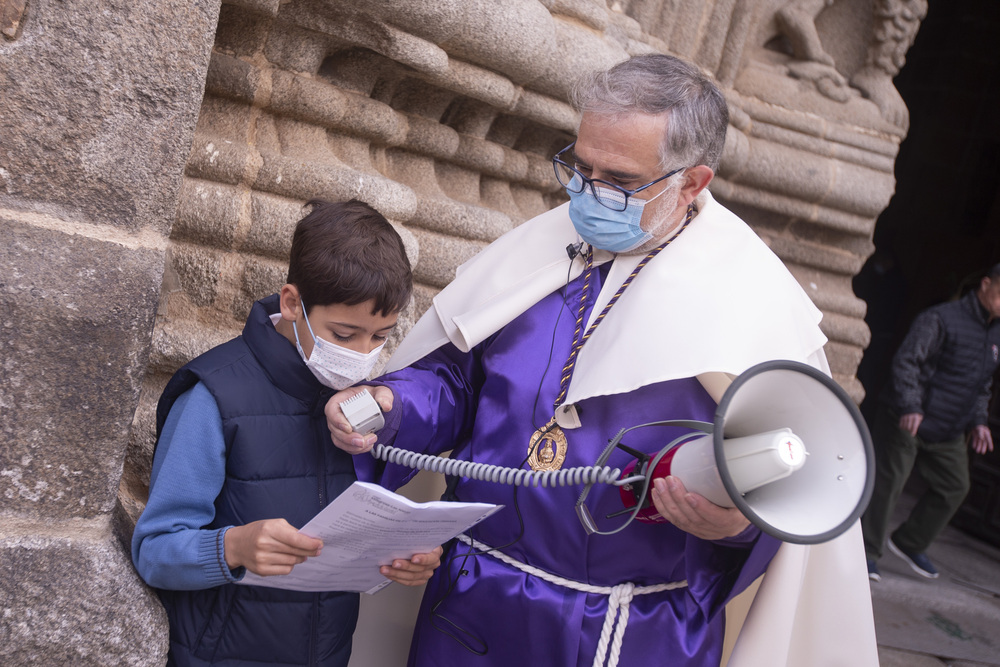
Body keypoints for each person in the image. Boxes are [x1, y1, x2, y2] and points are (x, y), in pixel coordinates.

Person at [326, 55, 878, 667]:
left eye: (618, 179)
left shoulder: (754, 305)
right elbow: (457, 380)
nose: (588, 192)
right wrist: (393, 405)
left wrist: (736, 527)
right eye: (580, 167)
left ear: (692, 183)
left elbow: (788, 494)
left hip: (627, 630)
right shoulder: (541, 251)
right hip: (471, 603)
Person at [132, 199, 443, 667]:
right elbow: (154, 550)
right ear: (293, 302)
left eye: (381, 337)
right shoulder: (213, 396)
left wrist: (402, 553)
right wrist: (232, 546)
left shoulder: (364, 399)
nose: (364, 354)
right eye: (344, 334)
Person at [862, 264, 1000, 581]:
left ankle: (910, 541)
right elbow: (907, 362)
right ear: (986, 284)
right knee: (890, 482)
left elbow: (982, 385)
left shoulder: (995, 334)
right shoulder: (941, 318)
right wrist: (911, 405)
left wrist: (979, 422)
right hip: (907, 416)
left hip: (948, 427)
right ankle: (866, 552)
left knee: (955, 485)